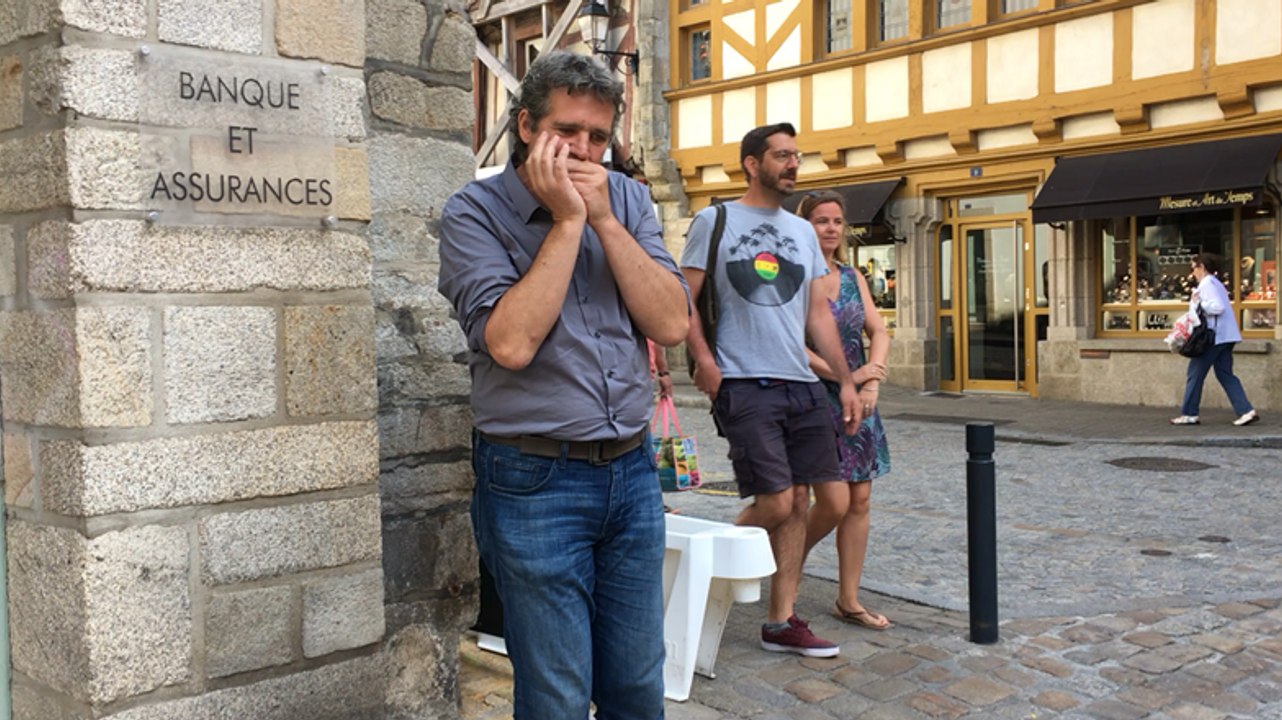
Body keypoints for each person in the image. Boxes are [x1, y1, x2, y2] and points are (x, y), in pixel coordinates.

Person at [437, 51, 689, 719]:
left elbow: (669, 323)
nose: (584, 150)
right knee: (556, 694)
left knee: (638, 683)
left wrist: (604, 218)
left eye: (599, 137)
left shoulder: (628, 199)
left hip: (631, 472)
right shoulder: (474, 212)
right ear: (526, 126)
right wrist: (569, 222)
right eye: (568, 131)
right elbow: (512, 344)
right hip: (533, 478)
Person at [681, 123, 860, 658]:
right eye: (782, 156)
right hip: (743, 379)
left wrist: (845, 379)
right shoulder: (715, 220)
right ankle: (710, 568)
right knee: (780, 501)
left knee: (828, 498)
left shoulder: (802, 232)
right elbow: (681, 297)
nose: (793, 164)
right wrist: (704, 359)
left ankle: (780, 621)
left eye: (796, 156)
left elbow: (816, 314)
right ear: (752, 164)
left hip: (801, 383)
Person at [796, 191, 893, 631]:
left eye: (837, 221)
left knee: (860, 499)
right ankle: (786, 566)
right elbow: (793, 345)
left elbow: (878, 330)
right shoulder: (794, 277)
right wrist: (845, 378)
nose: (831, 229)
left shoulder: (853, 275)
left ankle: (848, 599)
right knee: (830, 502)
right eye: (821, 221)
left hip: (859, 399)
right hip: (815, 396)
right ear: (804, 226)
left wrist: (870, 379)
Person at [1170, 253, 1259, 427]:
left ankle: (1189, 413)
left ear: (1201, 267)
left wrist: (1198, 303)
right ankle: (1245, 410)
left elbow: (1216, 307)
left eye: (1194, 267)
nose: (1192, 271)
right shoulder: (1216, 283)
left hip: (1212, 337)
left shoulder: (1207, 284)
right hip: (1225, 336)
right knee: (1225, 374)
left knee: (1195, 374)